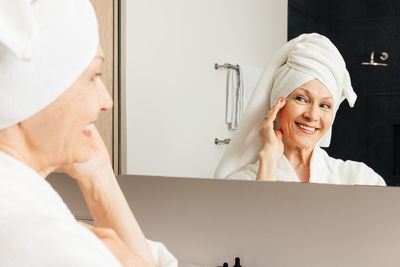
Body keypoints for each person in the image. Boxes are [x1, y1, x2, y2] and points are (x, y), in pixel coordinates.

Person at [0, 0, 177, 266]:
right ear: (29, 93)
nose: (107, 101)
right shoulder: (43, 241)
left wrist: (98, 177)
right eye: (94, 76)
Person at [214, 33, 386, 186]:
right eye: (301, 99)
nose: (312, 115)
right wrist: (268, 162)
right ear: (277, 104)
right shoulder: (242, 182)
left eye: (324, 105)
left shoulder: (361, 179)